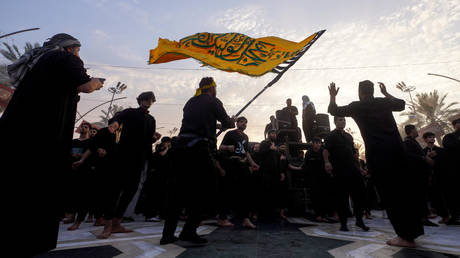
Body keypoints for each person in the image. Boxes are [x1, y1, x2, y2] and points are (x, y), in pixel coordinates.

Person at [0, 33, 103, 256]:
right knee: (39, 194)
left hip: (17, 136)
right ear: (70, 48)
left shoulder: (39, 64)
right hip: (43, 139)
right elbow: (85, 86)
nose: (79, 55)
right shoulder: (65, 59)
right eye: (78, 50)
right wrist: (96, 83)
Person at [327, 80, 423, 248]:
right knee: (405, 191)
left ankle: (404, 237)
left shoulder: (357, 106)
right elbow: (401, 104)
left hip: (379, 155)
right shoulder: (383, 101)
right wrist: (386, 93)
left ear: (360, 92)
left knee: (390, 194)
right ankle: (413, 233)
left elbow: (333, 110)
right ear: (373, 91)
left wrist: (333, 96)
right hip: (398, 152)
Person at [161, 77, 235, 245]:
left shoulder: (190, 102)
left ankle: (167, 235)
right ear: (212, 88)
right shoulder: (213, 101)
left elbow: (200, 122)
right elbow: (227, 122)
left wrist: (216, 126)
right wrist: (232, 121)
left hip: (180, 149)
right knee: (208, 190)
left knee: (177, 193)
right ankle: (188, 231)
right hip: (198, 150)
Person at [98, 91, 161, 239]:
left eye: (151, 100)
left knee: (130, 191)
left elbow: (146, 143)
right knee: (114, 190)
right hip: (122, 157)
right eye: (145, 99)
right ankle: (107, 225)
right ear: (140, 100)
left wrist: (153, 142)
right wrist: (114, 123)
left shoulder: (151, 119)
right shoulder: (130, 112)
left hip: (139, 160)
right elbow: (117, 118)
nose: (148, 102)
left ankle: (116, 223)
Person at [323, 117, 369, 232]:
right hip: (339, 170)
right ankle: (343, 224)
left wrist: (359, 168)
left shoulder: (349, 136)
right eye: (339, 120)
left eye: (343, 120)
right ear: (335, 122)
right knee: (342, 198)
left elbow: (354, 154)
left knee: (358, 196)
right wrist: (327, 162)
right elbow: (325, 150)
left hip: (353, 169)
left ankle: (359, 221)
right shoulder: (331, 135)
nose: (342, 121)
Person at [220, 117, 260, 229]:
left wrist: (252, 163)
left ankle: (245, 219)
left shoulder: (246, 137)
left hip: (243, 166)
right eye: (242, 122)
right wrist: (228, 147)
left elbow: (246, 152)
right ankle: (222, 218)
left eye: (246, 122)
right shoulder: (230, 134)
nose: (244, 124)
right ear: (237, 123)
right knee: (227, 191)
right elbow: (220, 147)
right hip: (232, 164)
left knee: (245, 192)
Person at [403, 125, 438, 227]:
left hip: (420, 174)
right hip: (416, 175)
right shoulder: (407, 142)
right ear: (411, 131)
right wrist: (424, 158)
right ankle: (423, 218)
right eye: (415, 129)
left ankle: (424, 215)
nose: (417, 131)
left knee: (422, 196)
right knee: (420, 196)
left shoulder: (412, 141)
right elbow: (408, 155)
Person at [67, 121, 94, 231]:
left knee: (82, 196)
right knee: (72, 195)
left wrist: (82, 156)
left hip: (85, 172)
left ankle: (78, 221)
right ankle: (71, 217)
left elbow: (92, 156)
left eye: (86, 126)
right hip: (72, 171)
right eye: (82, 126)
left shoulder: (91, 142)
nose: (83, 128)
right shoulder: (73, 141)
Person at [422, 131, 449, 223]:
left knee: (445, 196)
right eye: (429, 137)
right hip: (431, 179)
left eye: (433, 137)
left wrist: (437, 158)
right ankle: (444, 215)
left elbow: (445, 164)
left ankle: (449, 215)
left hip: (441, 177)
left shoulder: (441, 150)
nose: (432, 139)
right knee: (436, 198)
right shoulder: (423, 152)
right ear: (425, 140)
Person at [441, 117, 460, 225]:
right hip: (453, 171)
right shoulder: (449, 137)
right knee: (454, 194)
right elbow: (448, 145)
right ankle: (455, 216)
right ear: (455, 125)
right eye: (459, 123)